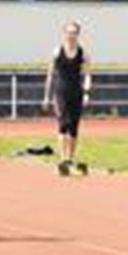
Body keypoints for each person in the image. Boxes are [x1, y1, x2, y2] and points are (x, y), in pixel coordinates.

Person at [42, 21, 93, 176]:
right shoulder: (57, 51)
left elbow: (88, 75)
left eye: (74, 32)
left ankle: (70, 158)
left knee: (74, 126)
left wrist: (86, 92)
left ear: (78, 34)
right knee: (64, 123)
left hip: (76, 92)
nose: (71, 35)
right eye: (69, 32)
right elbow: (50, 75)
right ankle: (63, 158)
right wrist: (46, 96)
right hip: (60, 92)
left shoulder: (83, 53)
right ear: (64, 34)